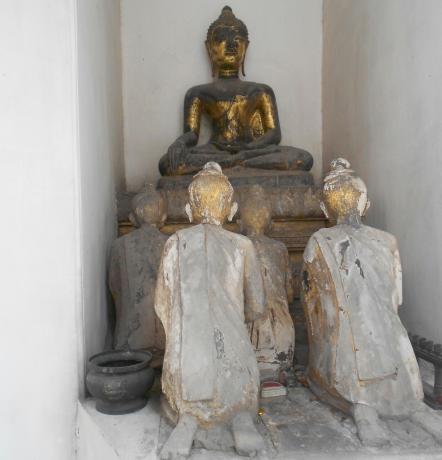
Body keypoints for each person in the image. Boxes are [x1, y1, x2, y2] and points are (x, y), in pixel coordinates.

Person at [302, 158, 442, 447]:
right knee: (409, 393)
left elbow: (313, 308)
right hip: (393, 342)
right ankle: (415, 411)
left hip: (346, 345)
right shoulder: (387, 241)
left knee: (331, 371)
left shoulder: (320, 240)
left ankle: (363, 412)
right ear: (366, 205)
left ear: (325, 210)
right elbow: (396, 299)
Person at [155, 162, 267, 458]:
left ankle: (188, 420)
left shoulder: (174, 243)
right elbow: (257, 307)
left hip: (186, 366)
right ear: (231, 210)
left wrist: (183, 332)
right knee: (240, 385)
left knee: (186, 372)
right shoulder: (242, 245)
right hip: (236, 363)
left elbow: (161, 305)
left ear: (188, 211)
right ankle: (241, 418)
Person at [159, 6, 313, 176]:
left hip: (251, 150)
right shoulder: (197, 93)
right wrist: (180, 143)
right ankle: (236, 163)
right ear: (209, 48)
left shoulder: (261, 91)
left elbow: (274, 134)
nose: (231, 44)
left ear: (245, 47)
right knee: (167, 163)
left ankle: (227, 165)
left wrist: (248, 149)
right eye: (222, 38)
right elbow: (191, 135)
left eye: (237, 39)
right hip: (216, 151)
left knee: (302, 158)